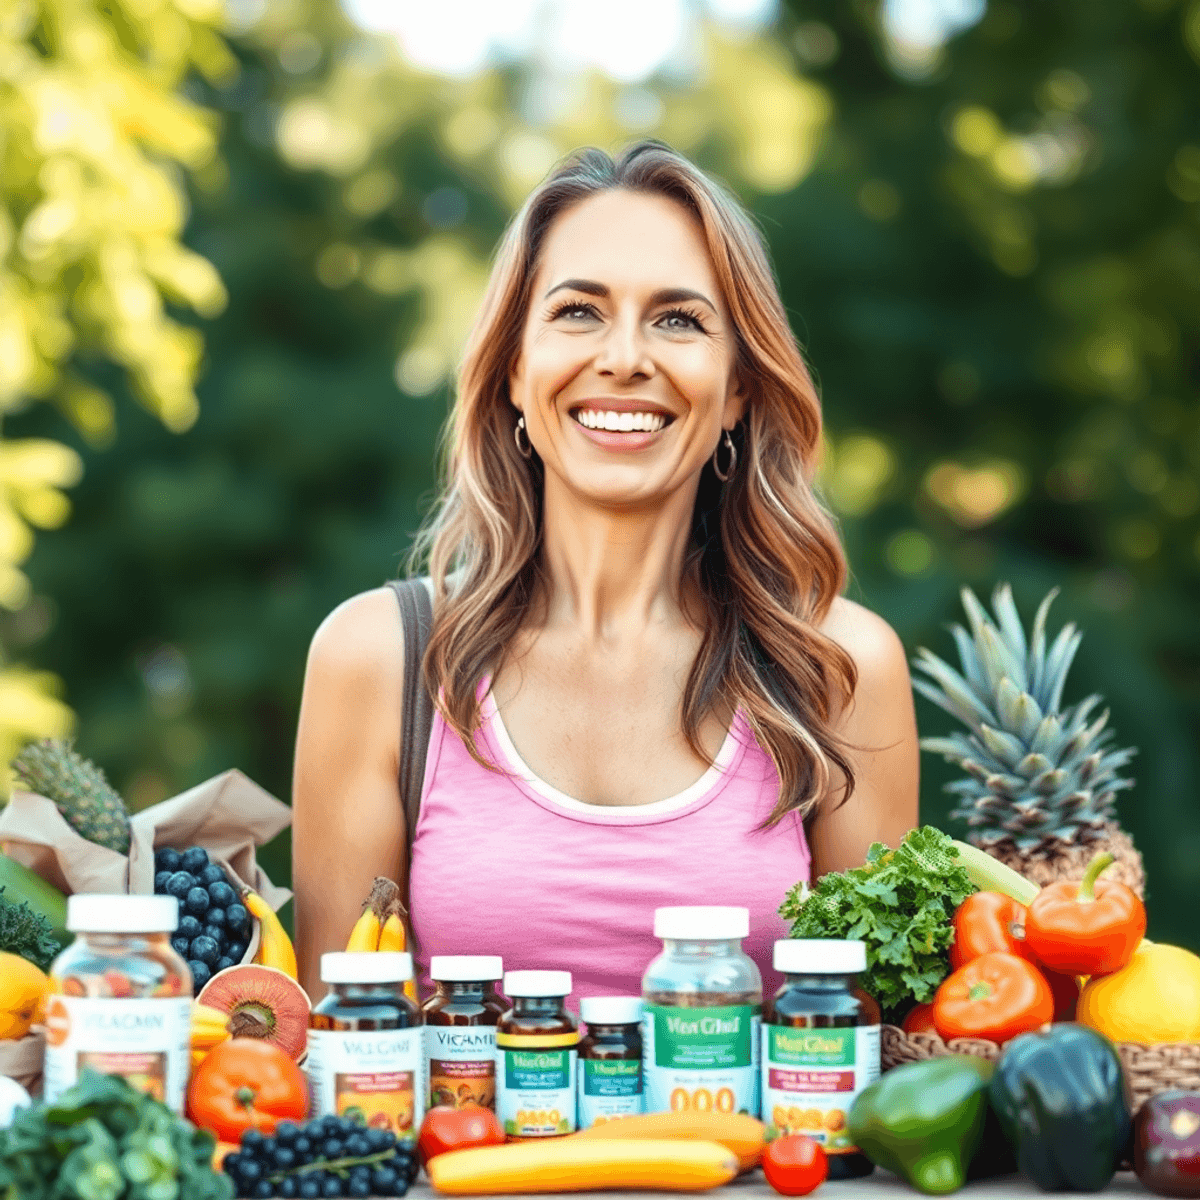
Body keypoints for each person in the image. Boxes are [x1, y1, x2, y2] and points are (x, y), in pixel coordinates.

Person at [292, 141, 918, 1004]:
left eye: (679, 320)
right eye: (579, 312)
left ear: (737, 387)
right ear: (514, 368)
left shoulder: (840, 670)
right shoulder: (379, 660)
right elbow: (341, 1063)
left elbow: (879, 1052)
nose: (625, 357)